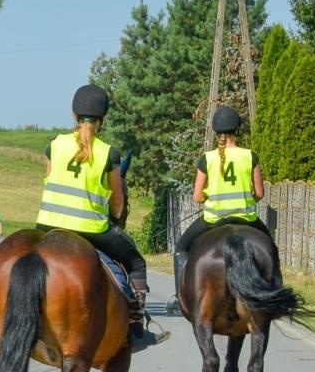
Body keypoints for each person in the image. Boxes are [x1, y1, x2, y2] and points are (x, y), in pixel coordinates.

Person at [36, 83, 154, 351]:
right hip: (89, 228)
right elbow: (117, 200)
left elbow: (49, 179)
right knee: (136, 263)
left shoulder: (54, 145)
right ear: (103, 119)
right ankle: (136, 325)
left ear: (74, 116)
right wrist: (114, 216)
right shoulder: (108, 153)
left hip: (46, 225)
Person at [173, 107, 275, 310]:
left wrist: (210, 196)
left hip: (213, 219)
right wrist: (246, 198)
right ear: (237, 130)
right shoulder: (249, 156)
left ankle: (180, 297)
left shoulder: (208, 159)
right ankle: (273, 289)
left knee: (181, 249)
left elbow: (197, 196)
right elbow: (260, 193)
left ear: (216, 132)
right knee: (270, 248)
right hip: (246, 219)